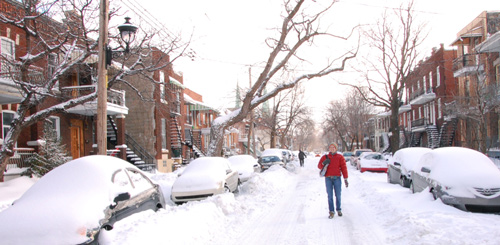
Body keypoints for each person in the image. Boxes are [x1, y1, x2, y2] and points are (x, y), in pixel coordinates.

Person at [318, 142, 348, 219]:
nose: (332, 149)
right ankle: (331, 211)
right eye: (330, 147)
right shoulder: (325, 157)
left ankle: (339, 209)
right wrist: (323, 163)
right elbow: (319, 166)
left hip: (337, 178)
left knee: (338, 195)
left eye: (333, 147)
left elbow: (344, 168)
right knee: (330, 196)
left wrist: (345, 178)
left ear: (336, 148)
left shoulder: (340, 157)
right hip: (328, 178)